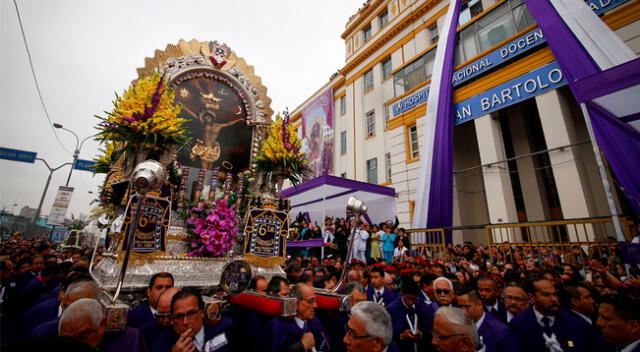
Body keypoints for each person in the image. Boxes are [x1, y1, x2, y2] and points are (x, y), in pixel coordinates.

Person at [510, 275, 600, 352]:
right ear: (532, 297)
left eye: (555, 294)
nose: (553, 299)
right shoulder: (519, 323)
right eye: (546, 295)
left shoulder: (575, 321)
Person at [152, 289, 233, 352]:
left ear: (202, 312)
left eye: (191, 314)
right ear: (173, 319)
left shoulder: (225, 329)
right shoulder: (162, 344)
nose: (185, 322)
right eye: (179, 316)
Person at [59, 298, 147, 352]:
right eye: (68, 340)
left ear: (103, 324)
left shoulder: (130, 339)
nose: (74, 345)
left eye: (83, 336)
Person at [266, 283, 332, 352]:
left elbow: (327, 346)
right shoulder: (278, 325)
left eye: (315, 300)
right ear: (296, 303)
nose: (315, 305)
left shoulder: (315, 321)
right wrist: (300, 346)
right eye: (311, 301)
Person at [456, 288, 519, 352]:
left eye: (466, 306)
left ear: (479, 304)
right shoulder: (456, 327)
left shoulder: (500, 331)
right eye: (460, 306)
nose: (463, 311)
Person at [385, 278, 432, 351]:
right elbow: (387, 333)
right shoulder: (392, 309)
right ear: (402, 293)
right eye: (408, 298)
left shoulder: (422, 307)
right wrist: (401, 335)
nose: (410, 302)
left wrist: (421, 334)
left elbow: (428, 328)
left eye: (414, 299)